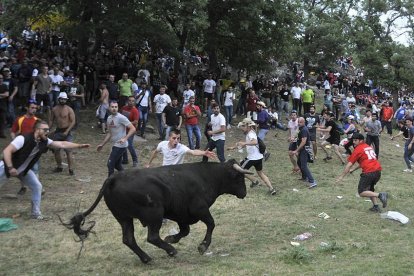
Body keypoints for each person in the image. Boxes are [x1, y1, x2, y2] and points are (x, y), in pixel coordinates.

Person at [0, 120, 90, 219]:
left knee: (37, 186)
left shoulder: (44, 141)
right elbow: (6, 151)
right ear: (37, 130)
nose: (47, 131)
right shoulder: (22, 138)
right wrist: (10, 167)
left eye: (48, 129)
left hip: (23, 170)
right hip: (6, 167)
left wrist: (79, 146)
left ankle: (35, 214)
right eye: (45, 129)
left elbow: (62, 144)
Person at [336, 133, 388, 213]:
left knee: (361, 192)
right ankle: (376, 206)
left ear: (361, 140)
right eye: (353, 140)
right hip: (377, 171)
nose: (354, 142)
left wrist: (341, 177)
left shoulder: (358, 150)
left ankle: (380, 195)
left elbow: (348, 165)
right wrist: (354, 170)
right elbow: (364, 161)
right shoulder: (367, 147)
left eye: (356, 140)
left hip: (369, 173)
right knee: (370, 189)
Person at [227, 117, 277, 196]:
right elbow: (248, 144)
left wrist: (244, 143)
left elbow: (254, 142)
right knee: (261, 174)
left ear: (248, 126)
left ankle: (254, 181)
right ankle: (271, 189)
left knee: (240, 170)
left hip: (252, 158)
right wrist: (234, 147)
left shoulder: (250, 134)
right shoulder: (251, 132)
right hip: (259, 158)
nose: (242, 128)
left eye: (243, 126)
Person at [97, 101, 136, 177]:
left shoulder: (121, 117)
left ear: (118, 108)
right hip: (115, 144)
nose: (114, 109)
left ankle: (110, 184)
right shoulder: (109, 118)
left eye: (116, 107)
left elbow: (133, 129)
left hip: (121, 145)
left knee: (110, 164)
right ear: (109, 108)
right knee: (117, 165)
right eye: (112, 107)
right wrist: (102, 144)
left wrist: (125, 138)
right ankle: (126, 178)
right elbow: (109, 133)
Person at [145, 128, 216, 167]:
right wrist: (148, 163)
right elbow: (155, 152)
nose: (176, 141)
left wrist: (204, 153)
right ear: (169, 138)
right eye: (174, 138)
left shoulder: (181, 148)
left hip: (176, 172)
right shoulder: (162, 144)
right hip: (164, 170)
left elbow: (193, 152)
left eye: (178, 138)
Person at [49, 92, 77, 175]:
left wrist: (67, 131)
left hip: (67, 132)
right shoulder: (54, 109)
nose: (63, 100)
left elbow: (73, 121)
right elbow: (51, 120)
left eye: (64, 99)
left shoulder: (69, 109)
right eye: (61, 99)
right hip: (58, 131)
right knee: (56, 150)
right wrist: (47, 129)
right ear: (59, 99)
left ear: (66, 100)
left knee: (68, 151)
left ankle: (70, 169)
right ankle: (59, 167)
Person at [293, 117, 317, 188]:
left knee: (303, 165)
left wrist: (296, 150)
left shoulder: (304, 129)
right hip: (302, 149)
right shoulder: (301, 129)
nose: (299, 123)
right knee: (299, 163)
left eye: (300, 122)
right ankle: (304, 177)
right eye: (298, 122)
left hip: (305, 149)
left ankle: (312, 181)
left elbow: (303, 142)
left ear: (303, 122)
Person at [121, 96, 139, 167]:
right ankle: (125, 160)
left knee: (129, 145)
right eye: (130, 100)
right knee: (123, 144)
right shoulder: (123, 108)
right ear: (127, 101)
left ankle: (135, 160)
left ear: (134, 102)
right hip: (122, 130)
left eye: (132, 101)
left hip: (130, 130)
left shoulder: (135, 111)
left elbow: (135, 121)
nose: (131, 102)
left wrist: (127, 123)